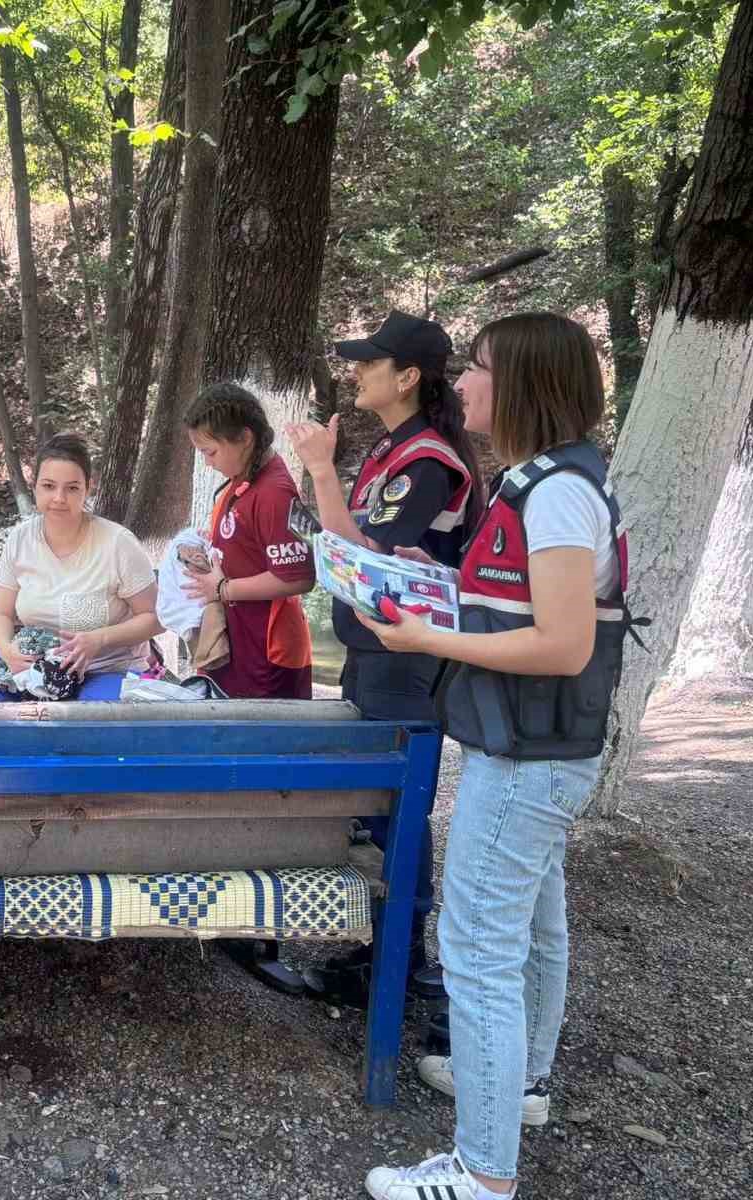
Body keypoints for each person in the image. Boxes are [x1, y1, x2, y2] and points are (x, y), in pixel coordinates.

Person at [357, 313, 641, 1200]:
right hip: (539, 744)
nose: (464, 385)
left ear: (518, 383)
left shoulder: (554, 492)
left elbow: (559, 644)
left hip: (527, 752)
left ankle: (482, 1170)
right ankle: (518, 1089)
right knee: (534, 926)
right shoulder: (543, 482)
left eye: (477, 370)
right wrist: (429, 589)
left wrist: (427, 641)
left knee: (476, 946)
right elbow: (516, 604)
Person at [284, 311, 485, 1008]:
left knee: (399, 807)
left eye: (371, 362)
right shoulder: (390, 451)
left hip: (405, 656)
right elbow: (350, 546)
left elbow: (368, 562)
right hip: (376, 650)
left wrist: (318, 472)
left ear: (407, 378)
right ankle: (384, 954)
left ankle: (400, 964)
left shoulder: (427, 459)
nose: (357, 370)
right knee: (379, 806)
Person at [0, 434, 161, 702]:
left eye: (72, 488)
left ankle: (21, 722)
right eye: (48, 486)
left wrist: (99, 640)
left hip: (103, 670)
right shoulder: (20, 539)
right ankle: (10, 718)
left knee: (97, 715)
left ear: (88, 488)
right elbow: (0, 612)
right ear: (34, 487)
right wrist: (6, 651)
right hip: (33, 665)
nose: (58, 498)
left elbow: (155, 618)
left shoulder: (118, 542)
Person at [181, 382, 315, 700]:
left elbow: (298, 577)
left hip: (267, 652)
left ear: (244, 438)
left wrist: (223, 589)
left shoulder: (274, 493)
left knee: (261, 742)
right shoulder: (244, 479)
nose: (207, 462)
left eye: (210, 451)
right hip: (238, 642)